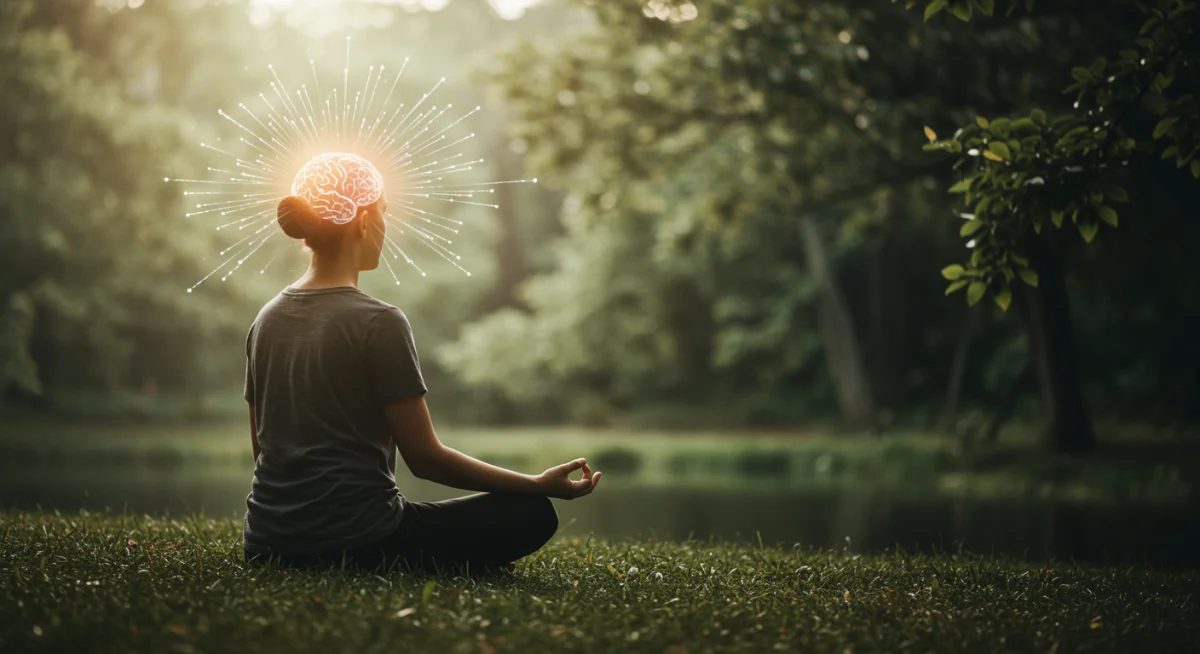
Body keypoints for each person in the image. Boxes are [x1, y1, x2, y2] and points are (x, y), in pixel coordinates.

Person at [241, 153, 601, 575]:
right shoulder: (379, 321)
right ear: (362, 221)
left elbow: (263, 450)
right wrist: (536, 484)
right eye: (384, 213)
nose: (385, 227)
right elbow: (426, 460)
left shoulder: (265, 319)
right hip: (362, 542)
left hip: (267, 542)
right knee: (532, 512)